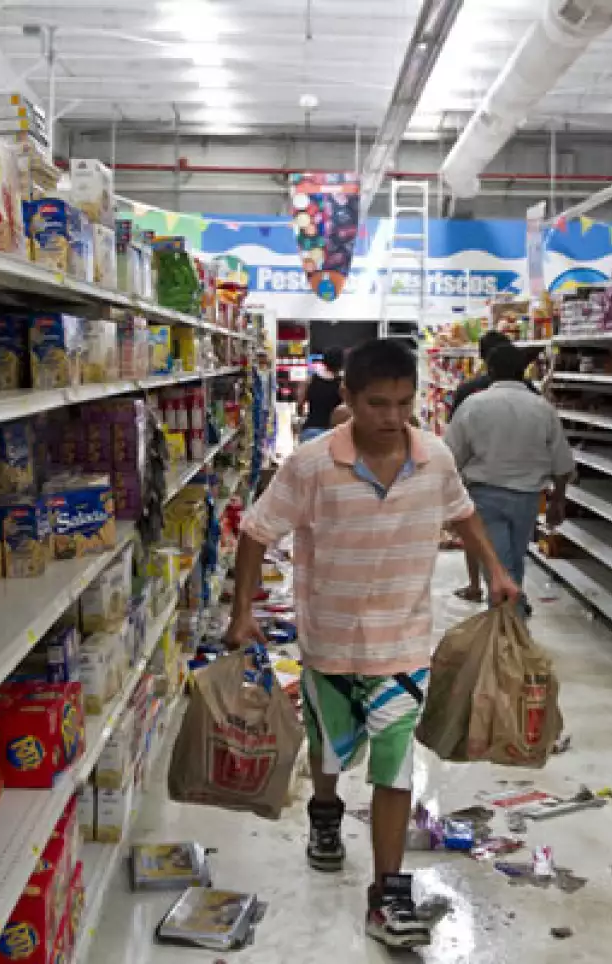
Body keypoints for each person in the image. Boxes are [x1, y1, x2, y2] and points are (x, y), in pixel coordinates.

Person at [223, 338, 520, 949]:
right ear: (349, 399)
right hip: (329, 640)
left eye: (404, 403)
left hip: (403, 646)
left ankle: (387, 895)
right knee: (328, 754)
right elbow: (255, 531)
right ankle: (324, 816)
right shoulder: (308, 465)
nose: (392, 417)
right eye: (378, 403)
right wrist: (242, 609)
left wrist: (495, 569)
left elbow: (463, 513)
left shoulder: (434, 458)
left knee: (394, 765)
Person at [444, 344, 574, 614]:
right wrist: (557, 501)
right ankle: (513, 620)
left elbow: (450, 457)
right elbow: (561, 461)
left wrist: (449, 501)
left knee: (499, 566)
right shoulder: (542, 408)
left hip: (485, 495)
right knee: (514, 560)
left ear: (490, 370)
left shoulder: (473, 405)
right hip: (527, 498)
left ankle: (507, 628)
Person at [449, 330, 536, 602]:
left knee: (475, 534)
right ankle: (512, 594)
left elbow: (455, 437)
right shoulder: (531, 393)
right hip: (525, 481)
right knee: (513, 550)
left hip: (479, 480)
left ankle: (479, 586)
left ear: (484, 358)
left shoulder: (468, 391)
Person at [296, 347, 344, 443]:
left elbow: (300, 405)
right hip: (332, 433)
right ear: (341, 364)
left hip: (310, 430)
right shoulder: (342, 386)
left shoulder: (310, 381)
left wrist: (302, 415)